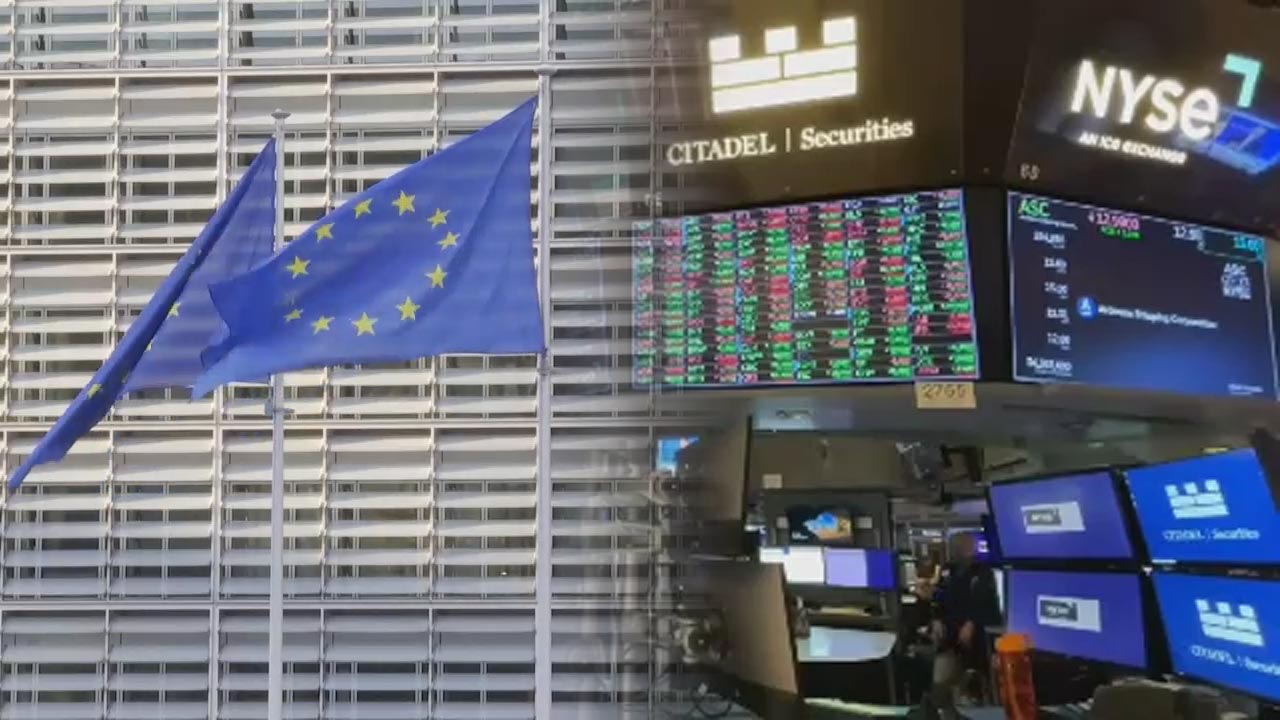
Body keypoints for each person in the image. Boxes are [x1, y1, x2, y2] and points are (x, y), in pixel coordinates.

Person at [928, 533, 1001, 714]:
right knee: (940, 682)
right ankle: (944, 712)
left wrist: (972, 623)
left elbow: (988, 604)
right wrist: (936, 619)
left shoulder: (983, 572)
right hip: (950, 636)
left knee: (982, 684)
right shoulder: (947, 571)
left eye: (961, 546)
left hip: (979, 641)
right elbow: (939, 598)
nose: (955, 551)